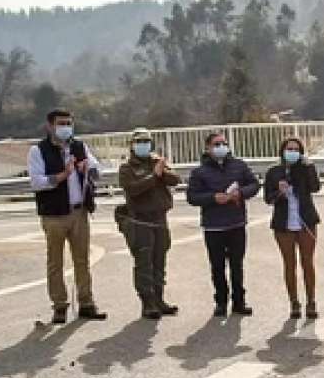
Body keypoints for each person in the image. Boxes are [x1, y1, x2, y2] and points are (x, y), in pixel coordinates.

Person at [28, 108, 106, 324]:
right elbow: (36, 182)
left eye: (69, 123)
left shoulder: (79, 146)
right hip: (54, 214)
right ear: (50, 125)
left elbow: (97, 171)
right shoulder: (38, 150)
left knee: (82, 260)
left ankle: (87, 303)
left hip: (78, 211)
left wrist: (86, 168)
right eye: (61, 123)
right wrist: (62, 176)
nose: (66, 128)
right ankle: (60, 305)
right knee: (55, 261)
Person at [186, 131, 260, 317]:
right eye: (216, 144)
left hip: (236, 223)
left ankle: (239, 301)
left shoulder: (239, 165)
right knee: (217, 266)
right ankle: (220, 301)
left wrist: (241, 193)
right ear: (208, 148)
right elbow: (192, 197)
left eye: (223, 144)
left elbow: (254, 184)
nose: (221, 147)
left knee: (237, 264)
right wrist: (212, 198)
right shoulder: (199, 172)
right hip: (213, 226)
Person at [117, 127, 180, 320]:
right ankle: (147, 302)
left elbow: (175, 179)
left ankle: (159, 298)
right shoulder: (127, 168)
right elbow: (133, 189)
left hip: (159, 219)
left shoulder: (157, 162)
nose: (143, 145)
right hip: (140, 220)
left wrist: (162, 171)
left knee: (159, 260)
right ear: (132, 145)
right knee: (144, 262)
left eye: (146, 141)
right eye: (139, 142)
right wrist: (154, 176)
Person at [263, 137, 321, 320]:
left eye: (296, 149)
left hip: (305, 221)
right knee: (289, 263)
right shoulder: (274, 171)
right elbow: (268, 198)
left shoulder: (305, 168)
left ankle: (311, 300)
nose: (293, 151)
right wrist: (279, 191)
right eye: (289, 148)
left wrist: (309, 167)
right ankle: (294, 302)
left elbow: (315, 187)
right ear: (282, 151)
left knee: (308, 261)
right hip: (283, 223)